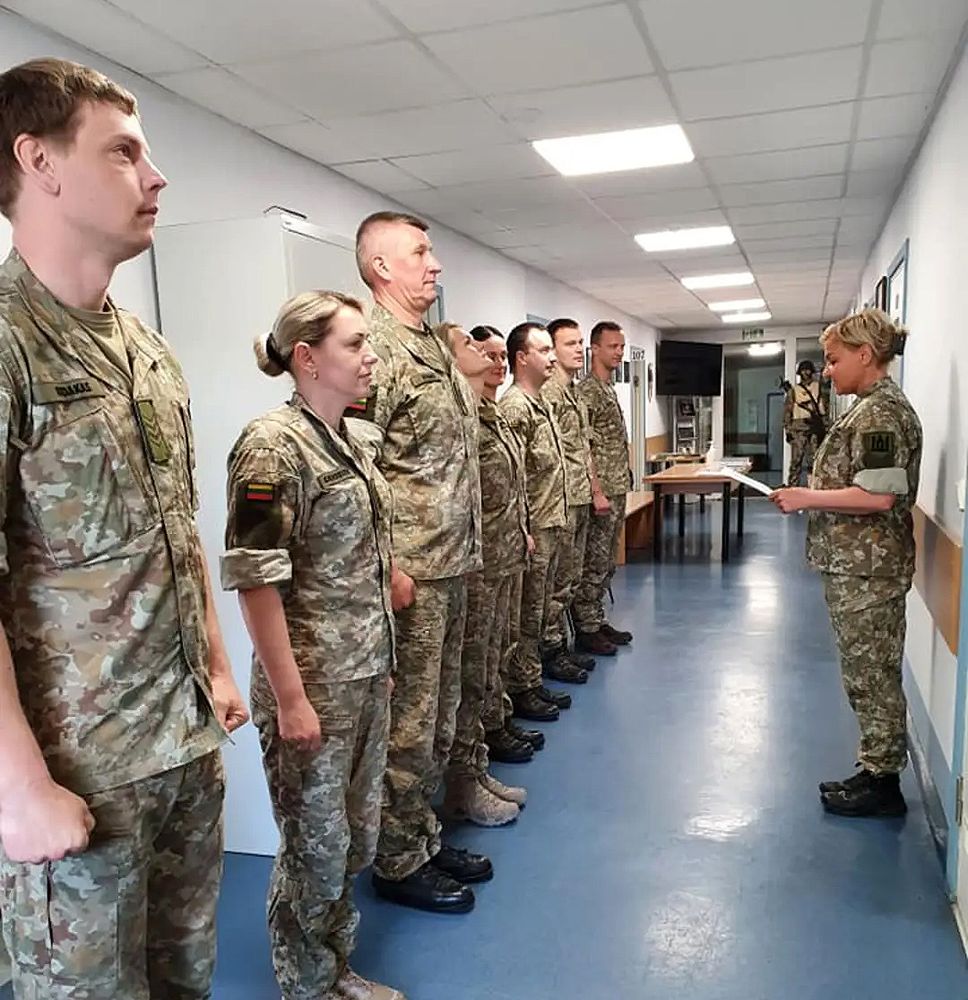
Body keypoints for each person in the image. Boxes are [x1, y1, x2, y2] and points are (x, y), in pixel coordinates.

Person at [0, 58, 247, 998]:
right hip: (77, 777)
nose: (156, 176)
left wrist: (216, 665)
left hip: (181, 747)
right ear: (40, 162)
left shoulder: (145, 350)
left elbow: (178, 526)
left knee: (186, 982)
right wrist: (19, 787)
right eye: (124, 153)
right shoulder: (8, 345)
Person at [222, 292, 405, 1000]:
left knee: (353, 838)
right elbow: (256, 581)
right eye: (355, 344)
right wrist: (292, 700)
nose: (371, 357)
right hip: (313, 688)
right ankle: (309, 983)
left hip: (363, 673)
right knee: (314, 849)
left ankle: (334, 967)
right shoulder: (271, 448)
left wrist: (382, 665)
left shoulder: (350, 439)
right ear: (307, 357)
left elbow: (363, 563)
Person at [350, 212, 490, 914]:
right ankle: (398, 859)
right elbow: (356, 468)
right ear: (381, 267)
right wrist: (387, 568)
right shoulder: (373, 348)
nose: (434, 265)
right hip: (413, 573)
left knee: (440, 716)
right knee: (409, 723)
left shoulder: (431, 344)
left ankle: (423, 835)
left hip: (452, 562)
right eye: (419, 253)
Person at [770, 309, 921, 818]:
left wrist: (806, 497)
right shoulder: (868, 409)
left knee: (872, 674)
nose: (828, 371)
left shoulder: (880, 415)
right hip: (859, 566)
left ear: (865, 355)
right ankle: (876, 768)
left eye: (834, 361)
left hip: (869, 570)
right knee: (865, 672)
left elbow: (878, 497)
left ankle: (884, 784)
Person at [438, 323, 529, 825]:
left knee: (488, 669)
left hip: (496, 558)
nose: (491, 359)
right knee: (470, 679)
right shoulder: (458, 419)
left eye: (497, 354)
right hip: (470, 567)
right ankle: (462, 783)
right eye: (474, 347)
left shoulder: (486, 414)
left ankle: (474, 769)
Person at [472, 327, 548, 764]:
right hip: (484, 557)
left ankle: (499, 716)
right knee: (482, 652)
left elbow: (516, 484)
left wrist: (523, 530)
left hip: (510, 547)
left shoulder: (496, 416)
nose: (498, 364)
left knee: (504, 641)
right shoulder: (469, 421)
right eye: (490, 355)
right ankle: (487, 729)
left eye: (502, 356)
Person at [499, 322, 574, 723]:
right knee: (527, 614)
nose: (551, 358)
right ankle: (521, 686)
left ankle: (532, 678)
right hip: (534, 528)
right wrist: (523, 529)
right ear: (521, 358)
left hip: (552, 520)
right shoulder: (515, 407)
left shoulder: (540, 402)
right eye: (543, 350)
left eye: (551, 350)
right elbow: (513, 478)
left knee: (541, 610)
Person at [541, 318, 607, 680]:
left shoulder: (573, 393)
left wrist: (594, 490)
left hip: (579, 498)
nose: (578, 350)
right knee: (555, 584)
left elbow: (583, 447)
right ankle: (551, 652)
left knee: (570, 578)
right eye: (569, 343)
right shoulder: (548, 394)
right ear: (552, 350)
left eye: (580, 342)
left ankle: (564, 645)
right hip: (559, 502)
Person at [573, 321, 634, 654]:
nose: (619, 352)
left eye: (622, 347)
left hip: (617, 486)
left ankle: (597, 619)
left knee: (608, 560)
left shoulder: (607, 388)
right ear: (594, 349)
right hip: (602, 492)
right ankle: (586, 628)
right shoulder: (587, 392)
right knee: (594, 561)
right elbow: (585, 447)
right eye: (613, 346)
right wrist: (596, 491)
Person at [784, 358, 827, 486]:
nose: (805, 373)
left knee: (814, 462)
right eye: (803, 370)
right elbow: (787, 411)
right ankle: (792, 488)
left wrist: (825, 427)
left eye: (808, 370)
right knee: (796, 462)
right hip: (798, 429)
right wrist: (788, 430)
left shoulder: (819, 387)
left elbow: (825, 408)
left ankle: (813, 487)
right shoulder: (794, 390)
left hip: (814, 428)